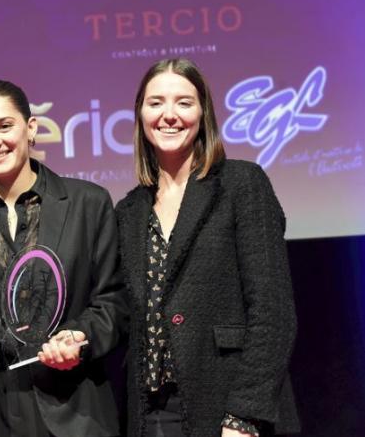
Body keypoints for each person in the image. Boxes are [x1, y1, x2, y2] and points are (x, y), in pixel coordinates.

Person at [0, 80, 128, 437]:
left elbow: (114, 302)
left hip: (72, 405)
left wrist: (80, 336)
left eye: (4, 125)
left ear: (31, 129)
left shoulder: (88, 204)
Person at [115, 58, 300, 437]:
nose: (169, 115)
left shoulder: (241, 184)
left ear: (204, 113)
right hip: (153, 413)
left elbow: (273, 311)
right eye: (156, 103)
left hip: (230, 407)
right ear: (140, 114)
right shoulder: (128, 211)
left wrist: (244, 415)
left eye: (184, 102)